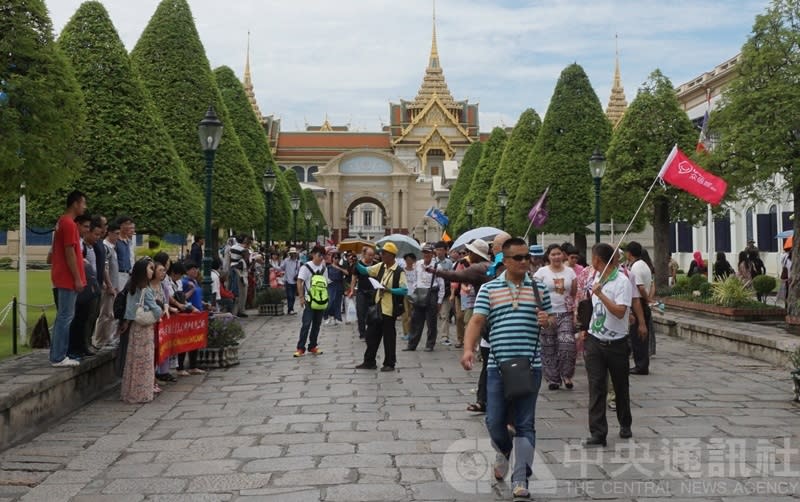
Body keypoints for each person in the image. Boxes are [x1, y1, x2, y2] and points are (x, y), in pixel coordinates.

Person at [460, 237, 552, 500]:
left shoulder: (539, 289)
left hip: (530, 367)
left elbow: (552, 321)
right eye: (519, 258)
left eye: (528, 257)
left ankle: (520, 479)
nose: (525, 262)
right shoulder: (489, 289)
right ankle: (503, 450)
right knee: (494, 421)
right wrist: (468, 349)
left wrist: (548, 321)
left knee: (525, 423)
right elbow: (477, 321)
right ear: (506, 260)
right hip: (497, 367)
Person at [580, 243, 634, 447]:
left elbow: (620, 311)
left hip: (617, 342)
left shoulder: (622, 282)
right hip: (595, 340)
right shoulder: (596, 277)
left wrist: (601, 294)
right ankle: (598, 432)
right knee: (596, 386)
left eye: (592, 257)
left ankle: (625, 422)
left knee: (620, 385)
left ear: (597, 260)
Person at [435, 239, 492, 412]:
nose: (468, 255)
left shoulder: (480, 267)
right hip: (485, 315)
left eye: (470, 252)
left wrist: (434, 271)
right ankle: (483, 400)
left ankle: (489, 401)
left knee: (491, 364)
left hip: (488, 317)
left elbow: (456, 276)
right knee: (488, 364)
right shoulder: (488, 266)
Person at [355, 242, 407, 371]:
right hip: (378, 307)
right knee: (371, 335)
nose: (381, 255)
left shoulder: (399, 271)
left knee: (389, 338)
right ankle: (369, 361)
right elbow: (364, 270)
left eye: (383, 253)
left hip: (389, 309)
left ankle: (389, 363)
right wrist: (355, 261)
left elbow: (404, 290)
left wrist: (389, 290)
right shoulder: (381, 266)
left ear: (391, 255)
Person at [50, 190, 88, 367]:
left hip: (63, 275)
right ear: (75, 203)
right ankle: (58, 356)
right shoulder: (69, 224)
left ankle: (58, 353)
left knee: (64, 316)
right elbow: (69, 252)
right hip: (67, 277)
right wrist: (77, 278)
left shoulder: (62, 221)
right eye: (83, 203)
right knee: (66, 316)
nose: (84, 207)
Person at [534, 243, 578, 391]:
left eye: (559, 254)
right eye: (553, 254)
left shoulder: (570, 272)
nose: (556, 257)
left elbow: (573, 292)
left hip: (565, 312)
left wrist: (574, 310)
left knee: (568, 344)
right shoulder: (541, 272)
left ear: (563, 255)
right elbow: (535, 292)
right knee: (548, 346)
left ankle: (567, 375)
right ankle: (553, 379)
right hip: (547, 313)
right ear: (548, 256)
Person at [121, 258, 163, 404]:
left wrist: (126, 322)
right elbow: (157, 310)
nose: (152, 271)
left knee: (134, 360)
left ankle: (131, 391)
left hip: (135, 328)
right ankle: (142, 392)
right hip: (145, 329)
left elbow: (130, 310)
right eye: (150, 268)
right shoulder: (146, 289)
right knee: (144, 361)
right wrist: (160, 308)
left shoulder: (133, 287)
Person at [403, 244, 445, 352]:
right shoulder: (418, 264)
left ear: (432, 254)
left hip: (432, 294)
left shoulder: (437, 266)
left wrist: (440, 300)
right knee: (416, 320)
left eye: (428, 253)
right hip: (419, 293)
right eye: (424, 252)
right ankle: (412, 344)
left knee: (431, 322)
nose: (426, 255)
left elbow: (441, 285)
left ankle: (430, 344)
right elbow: (415, 280)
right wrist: (413, 293)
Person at [294, 246, 329, 357]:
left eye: (323, 256)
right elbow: (300, 282)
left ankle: (312, 346)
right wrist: (301, 297)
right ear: (313, 254)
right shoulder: (306, 267)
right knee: (306, 324)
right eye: (319, 255)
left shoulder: (324, 268)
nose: (321, 258)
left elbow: (325, 284)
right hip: (309, 300)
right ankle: (300, 348)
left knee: (317, 324)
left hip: (320, 300)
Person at [625, 242, 652, 376]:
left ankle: (641, 365)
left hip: (639, 303)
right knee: (639, 336)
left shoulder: (636, 267)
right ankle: (641, 364)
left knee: (638, 336)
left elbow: (640, 287)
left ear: (629, 253)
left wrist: (646, 299)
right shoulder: (644, 264)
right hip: (642, 301)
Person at [433, 241, 454, 346]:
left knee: (444, 314)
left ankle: (444, 336)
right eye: (437, 250)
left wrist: (452, 293)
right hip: (434, 292)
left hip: (446, 292)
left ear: (445, 251)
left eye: (441, 250)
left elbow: (452, 277)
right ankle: (432, 335)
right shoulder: (432, 262)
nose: (439, 252)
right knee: (432, 316)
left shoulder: (449, 263)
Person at [353, 246, 377, 340]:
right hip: (361, 291)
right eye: (369, 255)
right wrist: (352, 290)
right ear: (364, 255)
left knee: (371, 312)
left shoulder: (376, 264)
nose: (371, 257)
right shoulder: (359, 264)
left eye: (372, 255)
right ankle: (362, 333)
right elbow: (354, 277)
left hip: (373, 291)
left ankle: (370, 331)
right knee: (360, 312)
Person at [324, 250, 348, 325]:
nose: (336, 259)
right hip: (330, 286)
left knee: (337, 303)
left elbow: (347, 273)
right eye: (335, 258)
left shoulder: (341, 267)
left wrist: (339, 268)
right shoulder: (328, 267)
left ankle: (335, 318)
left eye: (338, 258)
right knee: (330, 302)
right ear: (332, 258)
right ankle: (328, 316)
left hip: (339, 285)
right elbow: (324, 276)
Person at [400, 253, 417, 340]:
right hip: (405, 294)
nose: (408, 261)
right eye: (407, 260)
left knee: (413, 315)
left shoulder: (416, 271)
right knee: (405, 314)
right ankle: (406, 332)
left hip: (414, 294)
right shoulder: (402, 271)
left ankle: (413, 331)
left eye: (410, 260)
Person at [281, 247, 301, 314]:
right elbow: (282, 268)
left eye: (294, 253)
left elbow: (299, 270)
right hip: (288, 280)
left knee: (293, 296)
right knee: (290, 296)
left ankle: (291, 309)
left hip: (295, 281)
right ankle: (290, 309)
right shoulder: (286, 260)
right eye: (292, 253)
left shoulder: (298, 261)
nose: (293, 255)